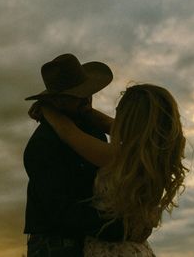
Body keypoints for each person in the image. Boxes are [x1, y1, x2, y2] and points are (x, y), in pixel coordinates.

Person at [31, 83, 189, 257]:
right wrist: (87, 111)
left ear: (130, 120)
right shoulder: (153, 156)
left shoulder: (116, 157)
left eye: (119, 111)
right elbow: (113, 125)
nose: (114, 115)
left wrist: (47, 109)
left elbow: (68, 132)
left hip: (112, 249)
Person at [23, 53, 128, 257]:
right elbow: (59, 210)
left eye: (87, 93)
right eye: (77, 96)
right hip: (56, 245)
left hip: (85, 239)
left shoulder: (92, 129)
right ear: (58, 100)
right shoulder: (42, 145)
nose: (87, 100)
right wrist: (117, 228)